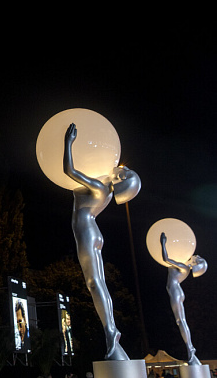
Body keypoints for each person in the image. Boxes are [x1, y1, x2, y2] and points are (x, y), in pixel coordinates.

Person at [63, 123, 141, 360]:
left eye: (125, 173)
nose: (122, 168)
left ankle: (110, 330)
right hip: (93, 231)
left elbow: (69, 171)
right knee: (98, 283)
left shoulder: (99, 187)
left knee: (94, 283)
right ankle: (111, 329)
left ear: (121, 179)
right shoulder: (105, 191)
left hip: (87, 230)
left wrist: (68, 142)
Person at [160, 232, 207, 365]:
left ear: (195, 263)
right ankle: (190, 348)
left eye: (197, 258)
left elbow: (166, 259)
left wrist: (163, 243)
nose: (195, 255)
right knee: (180, 321)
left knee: (180, 321)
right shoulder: (181, 264)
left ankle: (190, 348)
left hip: (176, 292)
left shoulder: (184, 268)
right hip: (175, 292)